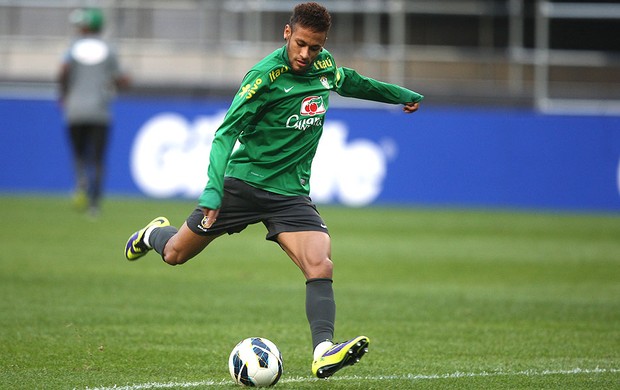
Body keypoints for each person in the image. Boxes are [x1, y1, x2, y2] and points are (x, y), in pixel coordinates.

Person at [125, 2, 422, 379]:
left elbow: (352, 81)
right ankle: (153, 232)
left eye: (314, 47)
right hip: (243, 185)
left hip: (290, 194)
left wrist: (398, 94)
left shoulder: (324, 67)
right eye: (300, 44)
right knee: (174, 253)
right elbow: (224, 134)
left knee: (321, 264)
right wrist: (213, 192)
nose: (305, 55)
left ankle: (323, 350)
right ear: (287, 33)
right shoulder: (264, 77)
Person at [58, 7, 129, 216]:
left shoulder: (72, 48)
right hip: (100, 111)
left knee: (79, 154)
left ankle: (80, 181)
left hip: (75, 109)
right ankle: (94, 204)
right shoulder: (108, 49)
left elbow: (62, 71)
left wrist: (64, 94)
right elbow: (121, 78)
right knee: (98, 158)